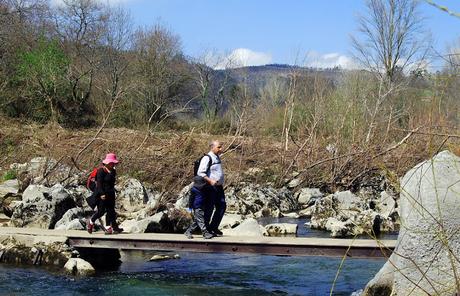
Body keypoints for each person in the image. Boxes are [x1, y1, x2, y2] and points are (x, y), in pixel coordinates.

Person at [87, 153, 122, 235]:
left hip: (110, 194)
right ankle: (91, 222)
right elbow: (99, 184)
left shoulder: (113, 171)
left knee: (111, 211)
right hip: (101, 194)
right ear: (106, 163)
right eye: (111, 163)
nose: (112, 164)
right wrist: (102, 194)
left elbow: (112, 184)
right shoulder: (101, 171)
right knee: (101, 211)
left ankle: (108, 227)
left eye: (113, 163)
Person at [198, 140, 226, 236]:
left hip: (219, 187)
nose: (221, 149)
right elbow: (201, 173)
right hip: (211, 187)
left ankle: (213, 227)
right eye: (219, 147)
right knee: (209, 208)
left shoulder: (217, 157)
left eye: (221, 147)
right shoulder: (207, 158)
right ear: (212, 147)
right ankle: (206, 229)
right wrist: (210, 181)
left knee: (222, 206)